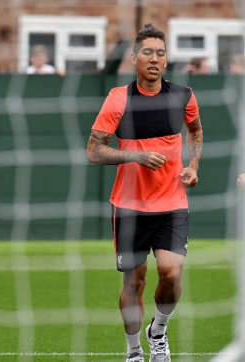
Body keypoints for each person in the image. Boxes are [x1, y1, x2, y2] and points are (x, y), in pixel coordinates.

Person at [86, 24, 203, 362]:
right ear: (134, 58)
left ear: (167, 61)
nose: (155, 59)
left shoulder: (184, 95)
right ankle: (134, 351)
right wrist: (133, 155)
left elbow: (195, 132)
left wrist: (193, 166)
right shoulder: (118, 98)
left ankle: (159, 332)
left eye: (161, 53)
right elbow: (93, 150)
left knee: (171, 273)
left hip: (172, 203)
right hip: (129, 206)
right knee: (134, 283)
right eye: (148, 53)